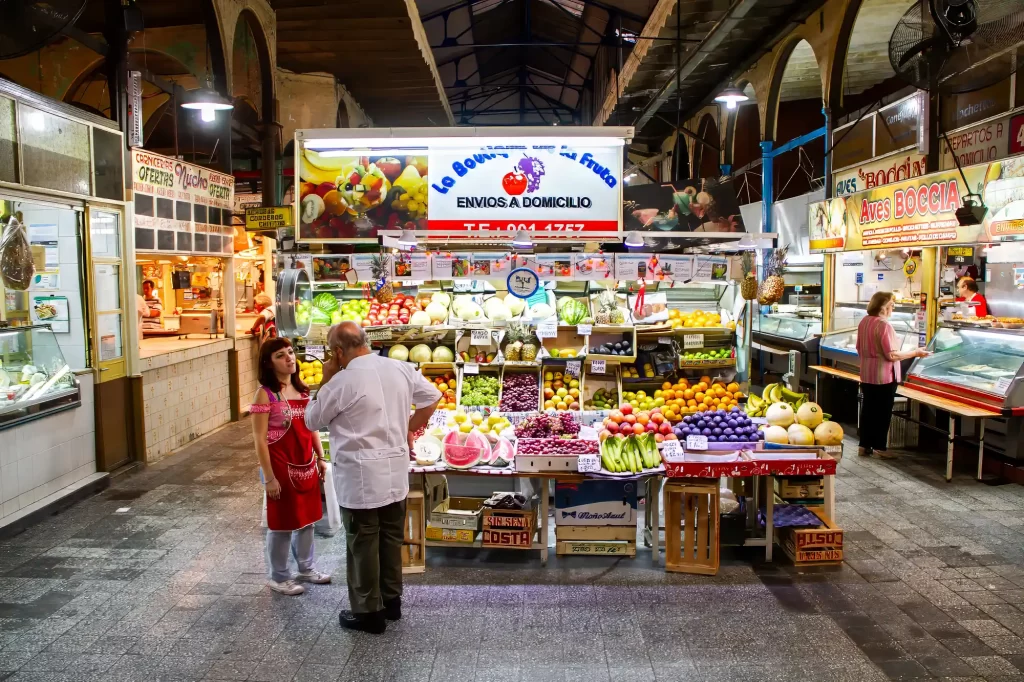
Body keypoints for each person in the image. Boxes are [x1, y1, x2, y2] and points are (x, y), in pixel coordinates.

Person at [305, 321, 441, 634]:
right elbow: (432, 397)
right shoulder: (399, 368)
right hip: (395, 473)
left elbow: (312, 418)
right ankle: (392, 603)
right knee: (391, 540)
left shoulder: (341, 382)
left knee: (363, 544)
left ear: (338, 352)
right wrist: (409, 426)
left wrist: (325, 379)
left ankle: (369, 613)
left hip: (361, 477)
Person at [249, 337, 331, 596]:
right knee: (282, 523)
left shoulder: (303, 390)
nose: (289, 358)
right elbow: (259, 440)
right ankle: (279, 576)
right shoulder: (265, 394)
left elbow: (311, 427)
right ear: (268, 363)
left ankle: (306, 568)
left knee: (307, 519)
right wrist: (269, 478)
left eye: (290, 353)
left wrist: (320, 456)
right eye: (280, 356)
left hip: (306, 463)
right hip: (280, 467)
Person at [856, 292, 929, 459]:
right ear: (883, 306)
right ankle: (880, 447)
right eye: (891, 304)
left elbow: (859, 348)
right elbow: (892, 355)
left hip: (867, 373)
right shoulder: (883, 325)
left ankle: (864, 445)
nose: (893, 307)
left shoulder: (864, 322)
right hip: (884, 376)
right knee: (882, 412)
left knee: (868, 410)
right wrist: (915, 353)